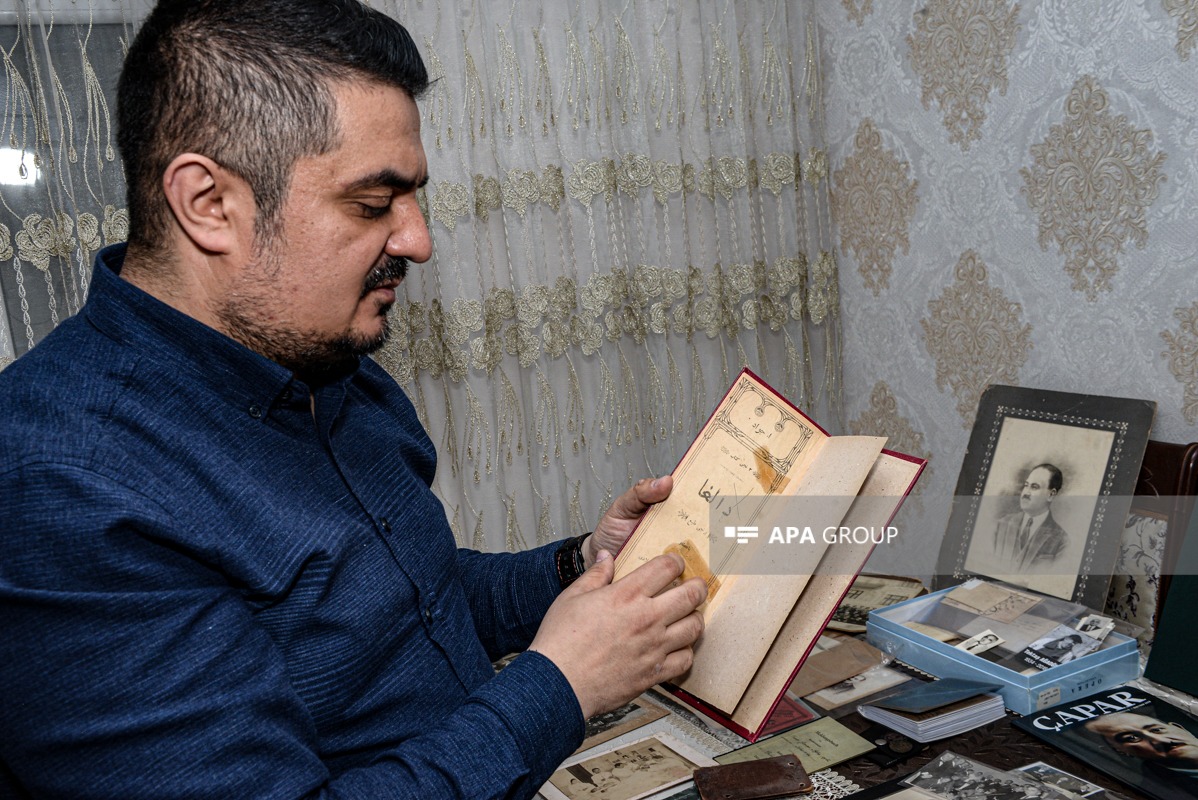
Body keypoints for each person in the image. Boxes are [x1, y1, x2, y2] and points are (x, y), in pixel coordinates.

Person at [0, 2, 706, 797]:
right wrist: (562, 686)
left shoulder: (322, 354)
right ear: (208, 204)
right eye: (372, 205)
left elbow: (403, 602)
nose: (418, 241)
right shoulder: (61, 487)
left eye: (412, 199)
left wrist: (585, 566)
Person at [1085, 711, 1198, 794]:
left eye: (1157, 730)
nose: (1160, 740)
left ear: (1180, 728)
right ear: (1120, 751)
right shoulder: (1161, 791)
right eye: (1132, 738)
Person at [992, 463, 1068, 568]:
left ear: (1051, 494)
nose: (1026, 493)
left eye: (1034, 487)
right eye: (1026, 485)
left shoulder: (1062, 541)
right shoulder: (1002, 524)